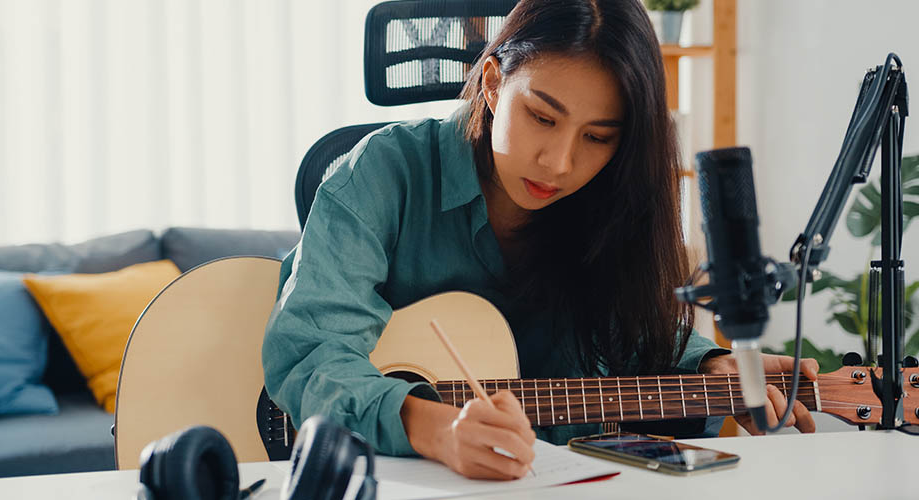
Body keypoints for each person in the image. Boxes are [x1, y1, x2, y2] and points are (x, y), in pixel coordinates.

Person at [263, 0, 818, 481]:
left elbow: (629, 335)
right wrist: (433, 428)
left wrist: (706, 368)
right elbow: (312, 350)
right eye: (541, 116)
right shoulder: (382, 172)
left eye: (598, 137)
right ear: (492, 81)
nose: (560, 163)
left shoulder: (611, 204)